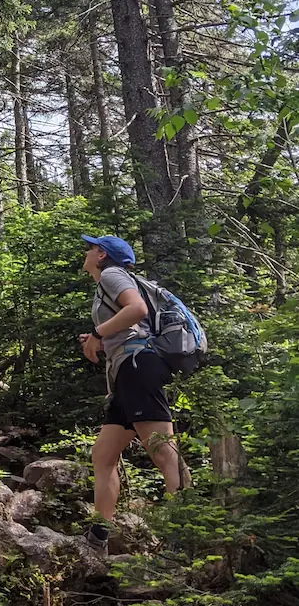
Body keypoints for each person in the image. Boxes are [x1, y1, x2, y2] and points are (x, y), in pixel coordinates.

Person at [79, 234, 191, 555]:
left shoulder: (112, 274)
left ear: (101, 254)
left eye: (90, 248)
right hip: (127, 371)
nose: (86, 252)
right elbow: (128, 322)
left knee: (162, 451)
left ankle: (183, 536)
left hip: (138, 367)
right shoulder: (111, 281)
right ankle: (98, 538)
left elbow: (138, 309)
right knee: (103, 455)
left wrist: (99, 333)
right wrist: (100, 338)